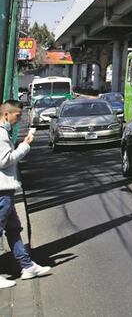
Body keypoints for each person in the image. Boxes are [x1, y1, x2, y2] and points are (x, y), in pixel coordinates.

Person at [0, 100, 50, 286]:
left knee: (13, 228)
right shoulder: (1, 134)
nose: (19, 119)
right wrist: (24, 147)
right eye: (17, 115)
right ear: (7, 114)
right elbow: (4, 161)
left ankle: (27, 266)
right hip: (2, 191)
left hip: (6, 190)